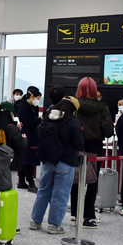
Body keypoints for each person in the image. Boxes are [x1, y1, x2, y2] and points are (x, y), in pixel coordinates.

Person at [29, 96, 84, 234]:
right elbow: (79, 144)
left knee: (43, 191)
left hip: (47, 160)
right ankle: (54, 225)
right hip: (65, 162)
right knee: (60, 194)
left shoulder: (48, 117)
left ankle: (35, 221)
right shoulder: (73, 122)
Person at [71, 78, 114, 229]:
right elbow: (109, 131)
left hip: (76, 145)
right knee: (92, 180)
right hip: (95, 147)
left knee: (76, 179)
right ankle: (88, 215)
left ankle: (76, 214)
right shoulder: (103, 107)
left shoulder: (73, 104)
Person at [15, 86, 43, 192]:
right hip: (26, 135)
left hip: (32, 135)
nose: (37, 101)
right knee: (27, 159)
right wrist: (40, 120)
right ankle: (29, 181)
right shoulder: (24, 107)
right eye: (37, 98)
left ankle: (22, 181)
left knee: (26, 158)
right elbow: (29, 122)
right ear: (32, 96)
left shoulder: (32, 107)